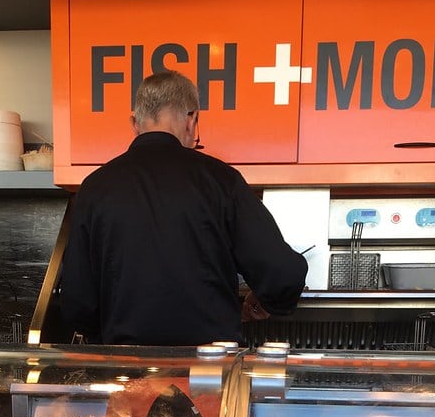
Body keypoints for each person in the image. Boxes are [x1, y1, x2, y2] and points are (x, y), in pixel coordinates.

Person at [54, 71, 308, 346]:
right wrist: (268, 298)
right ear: (192, 120)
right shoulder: (220, 180)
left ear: (134, 123)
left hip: (127, 370)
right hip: (208, 372)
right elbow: (283, 274)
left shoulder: (94, 188)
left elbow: (77, 301)